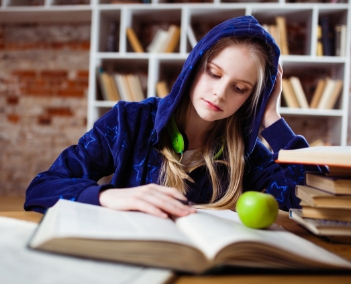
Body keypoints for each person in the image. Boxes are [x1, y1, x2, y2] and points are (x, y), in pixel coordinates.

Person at [24, 15, 320, 218]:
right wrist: (107, 197)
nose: (219, 94)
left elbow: (314, 198)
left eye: (240, 89)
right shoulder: (129, 122)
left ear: (251, 99)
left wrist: (272, 118)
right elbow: (42, 188)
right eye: (213, 73)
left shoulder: (246, 152)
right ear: (193, 67)